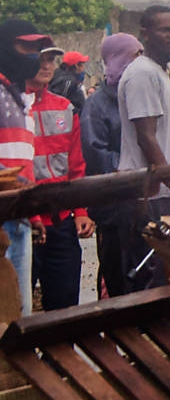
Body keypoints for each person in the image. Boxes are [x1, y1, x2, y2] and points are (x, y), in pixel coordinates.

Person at [118, 5, 170, 290]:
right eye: (165, 29)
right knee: (149, 279)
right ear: (145, 34)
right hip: (147, 193)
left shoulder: (158, 71)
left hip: (156, 190)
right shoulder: (142, 74)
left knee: (163, 274)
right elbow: (146, 136)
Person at [27, 45, 95, 310]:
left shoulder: (65, 108)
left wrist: (80, 211)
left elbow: (76, 167)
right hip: (22, 224)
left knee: (65, 305)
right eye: (41, 60)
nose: (47, 66)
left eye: (51, 61)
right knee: (14, 308)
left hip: (61, 223)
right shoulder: (9, 109)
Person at [81, 33, 144, 297]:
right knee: (116, 276)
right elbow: (96, 152)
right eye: (132, 57)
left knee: (142, 273)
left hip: (141, 201)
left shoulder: (139, 95)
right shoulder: (97, 104)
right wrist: (130, 170)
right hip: (112, 205)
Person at [0, 19, 50, 315]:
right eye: (25, 46)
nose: (32, 55)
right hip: (2, 217)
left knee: (19, 313)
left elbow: (19, 164)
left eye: (36, 48)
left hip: (18, 217)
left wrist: (32, 214)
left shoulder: (18, 99)